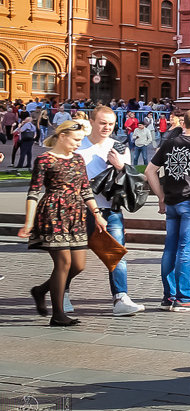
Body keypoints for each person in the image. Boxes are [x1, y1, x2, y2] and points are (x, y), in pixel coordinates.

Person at [18, 119, 106, 326]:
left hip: (76, 214)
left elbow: (85, 189)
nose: (78, 144)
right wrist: (28, 223)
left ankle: (40, 290)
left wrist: (97, 213)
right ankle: (58, 315)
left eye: (80, 140)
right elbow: (33, 193)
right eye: (76, 139)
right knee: (63, 263)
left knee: (78, 265)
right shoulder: (44, 160)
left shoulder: (77, 160)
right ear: (62, 136)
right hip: (52, 213)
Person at [144, 109, 190, 311]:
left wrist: (160, 197)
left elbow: (150, 171)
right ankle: (184, 298)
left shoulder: (169, 143)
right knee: (187, 252)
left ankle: (169, 296)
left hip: (171, 202)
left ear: (183, 123)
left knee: (170, 249)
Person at [76, 106, 145, 316]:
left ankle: (120, 298)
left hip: (110, 210)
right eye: (102, 123)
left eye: (111, 123)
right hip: (80, 211)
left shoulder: (119, 148)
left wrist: (121, 167)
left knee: (116, 255)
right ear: (92, 122)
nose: (107, 127)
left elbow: (131, 183)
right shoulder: (78, 146)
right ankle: (63, 292)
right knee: (72, 259)